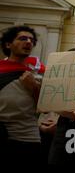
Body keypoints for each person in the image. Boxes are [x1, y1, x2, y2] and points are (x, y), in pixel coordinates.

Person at [0, 26, 45, 163]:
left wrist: (34, 88)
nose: (28, 42)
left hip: (27, 138)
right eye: (22, 38)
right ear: (8, 44)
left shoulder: (37, 76)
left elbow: (44, 108)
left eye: (31, 40)